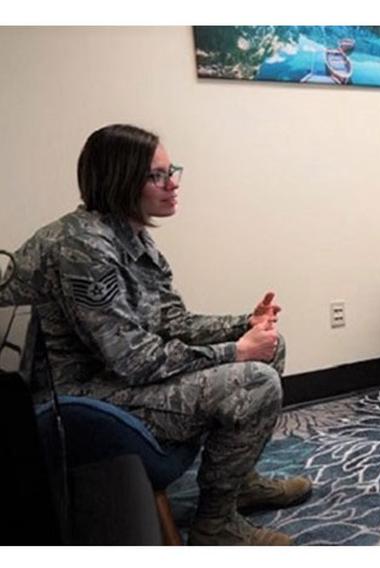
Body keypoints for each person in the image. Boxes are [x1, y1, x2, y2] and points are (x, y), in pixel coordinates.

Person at [0, 124, 312, 545]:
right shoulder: (83, 248)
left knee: (269, 350)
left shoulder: (130, 235)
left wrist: (244, 324)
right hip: (76, 401)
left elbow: (172, 322)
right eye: (156, 176)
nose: (173, 184)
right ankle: (215, 528)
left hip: (111, 379)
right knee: (254, 380)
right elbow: (133, 360)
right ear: (121, 179)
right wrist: (235, 351)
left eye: (172, 171)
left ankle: (240, 485)